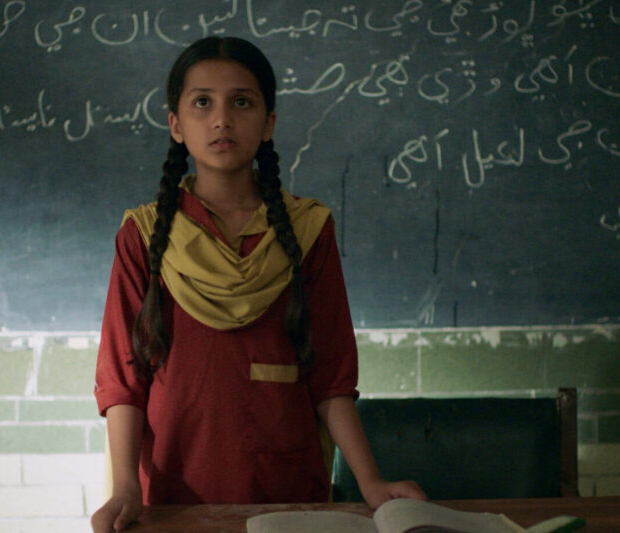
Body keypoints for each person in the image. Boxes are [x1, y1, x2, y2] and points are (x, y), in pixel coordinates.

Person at [91, 36, 426, 533]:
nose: (221, 119)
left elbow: (332, 377)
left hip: (287, 491)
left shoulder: (307, 230)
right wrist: (125, 487)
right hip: (172, 491)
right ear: (176, 125)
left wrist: (371, 483)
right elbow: (123, 380)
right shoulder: (143, 235)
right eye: (202, 102)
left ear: (269, 123)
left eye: (241, 102)